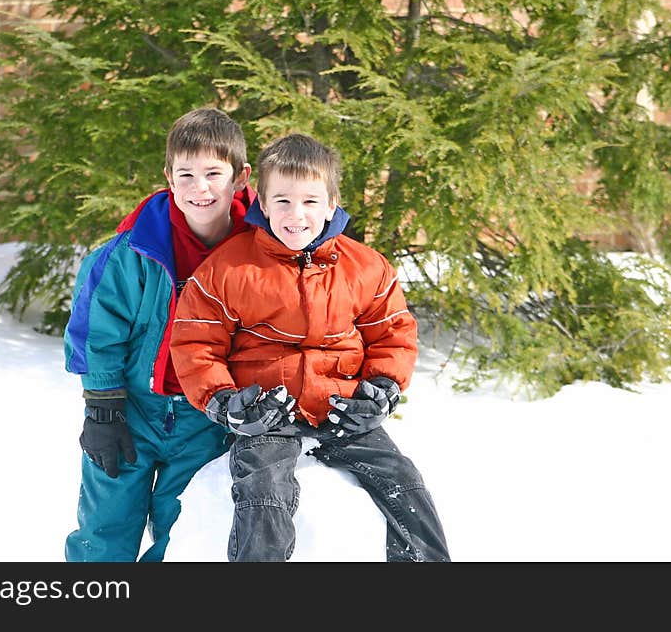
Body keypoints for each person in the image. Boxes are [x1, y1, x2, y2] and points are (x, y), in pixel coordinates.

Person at [170, 133, 450, 562]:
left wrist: (381, 389)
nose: (295, 215)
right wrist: (226, 401)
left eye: (310, 201)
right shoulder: (229, 267)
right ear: (262, 203)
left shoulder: (366, 267)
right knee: (262, 494)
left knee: (405, 485)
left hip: (342, 409)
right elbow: (196, 342)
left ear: (332, 202)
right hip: (269, 414)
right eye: (281, 201)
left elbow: (391, 332)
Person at [63, 107, 254, 561]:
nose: (199, 188)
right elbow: (97, 333)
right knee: (106, 525)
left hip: (206, 417)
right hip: (130, 411)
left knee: (186, 529)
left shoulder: (257, 256)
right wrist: (104, 409)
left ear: (241, 178)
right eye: (186, 174)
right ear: (169, 176)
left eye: (213, 173)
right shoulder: (131, 254)